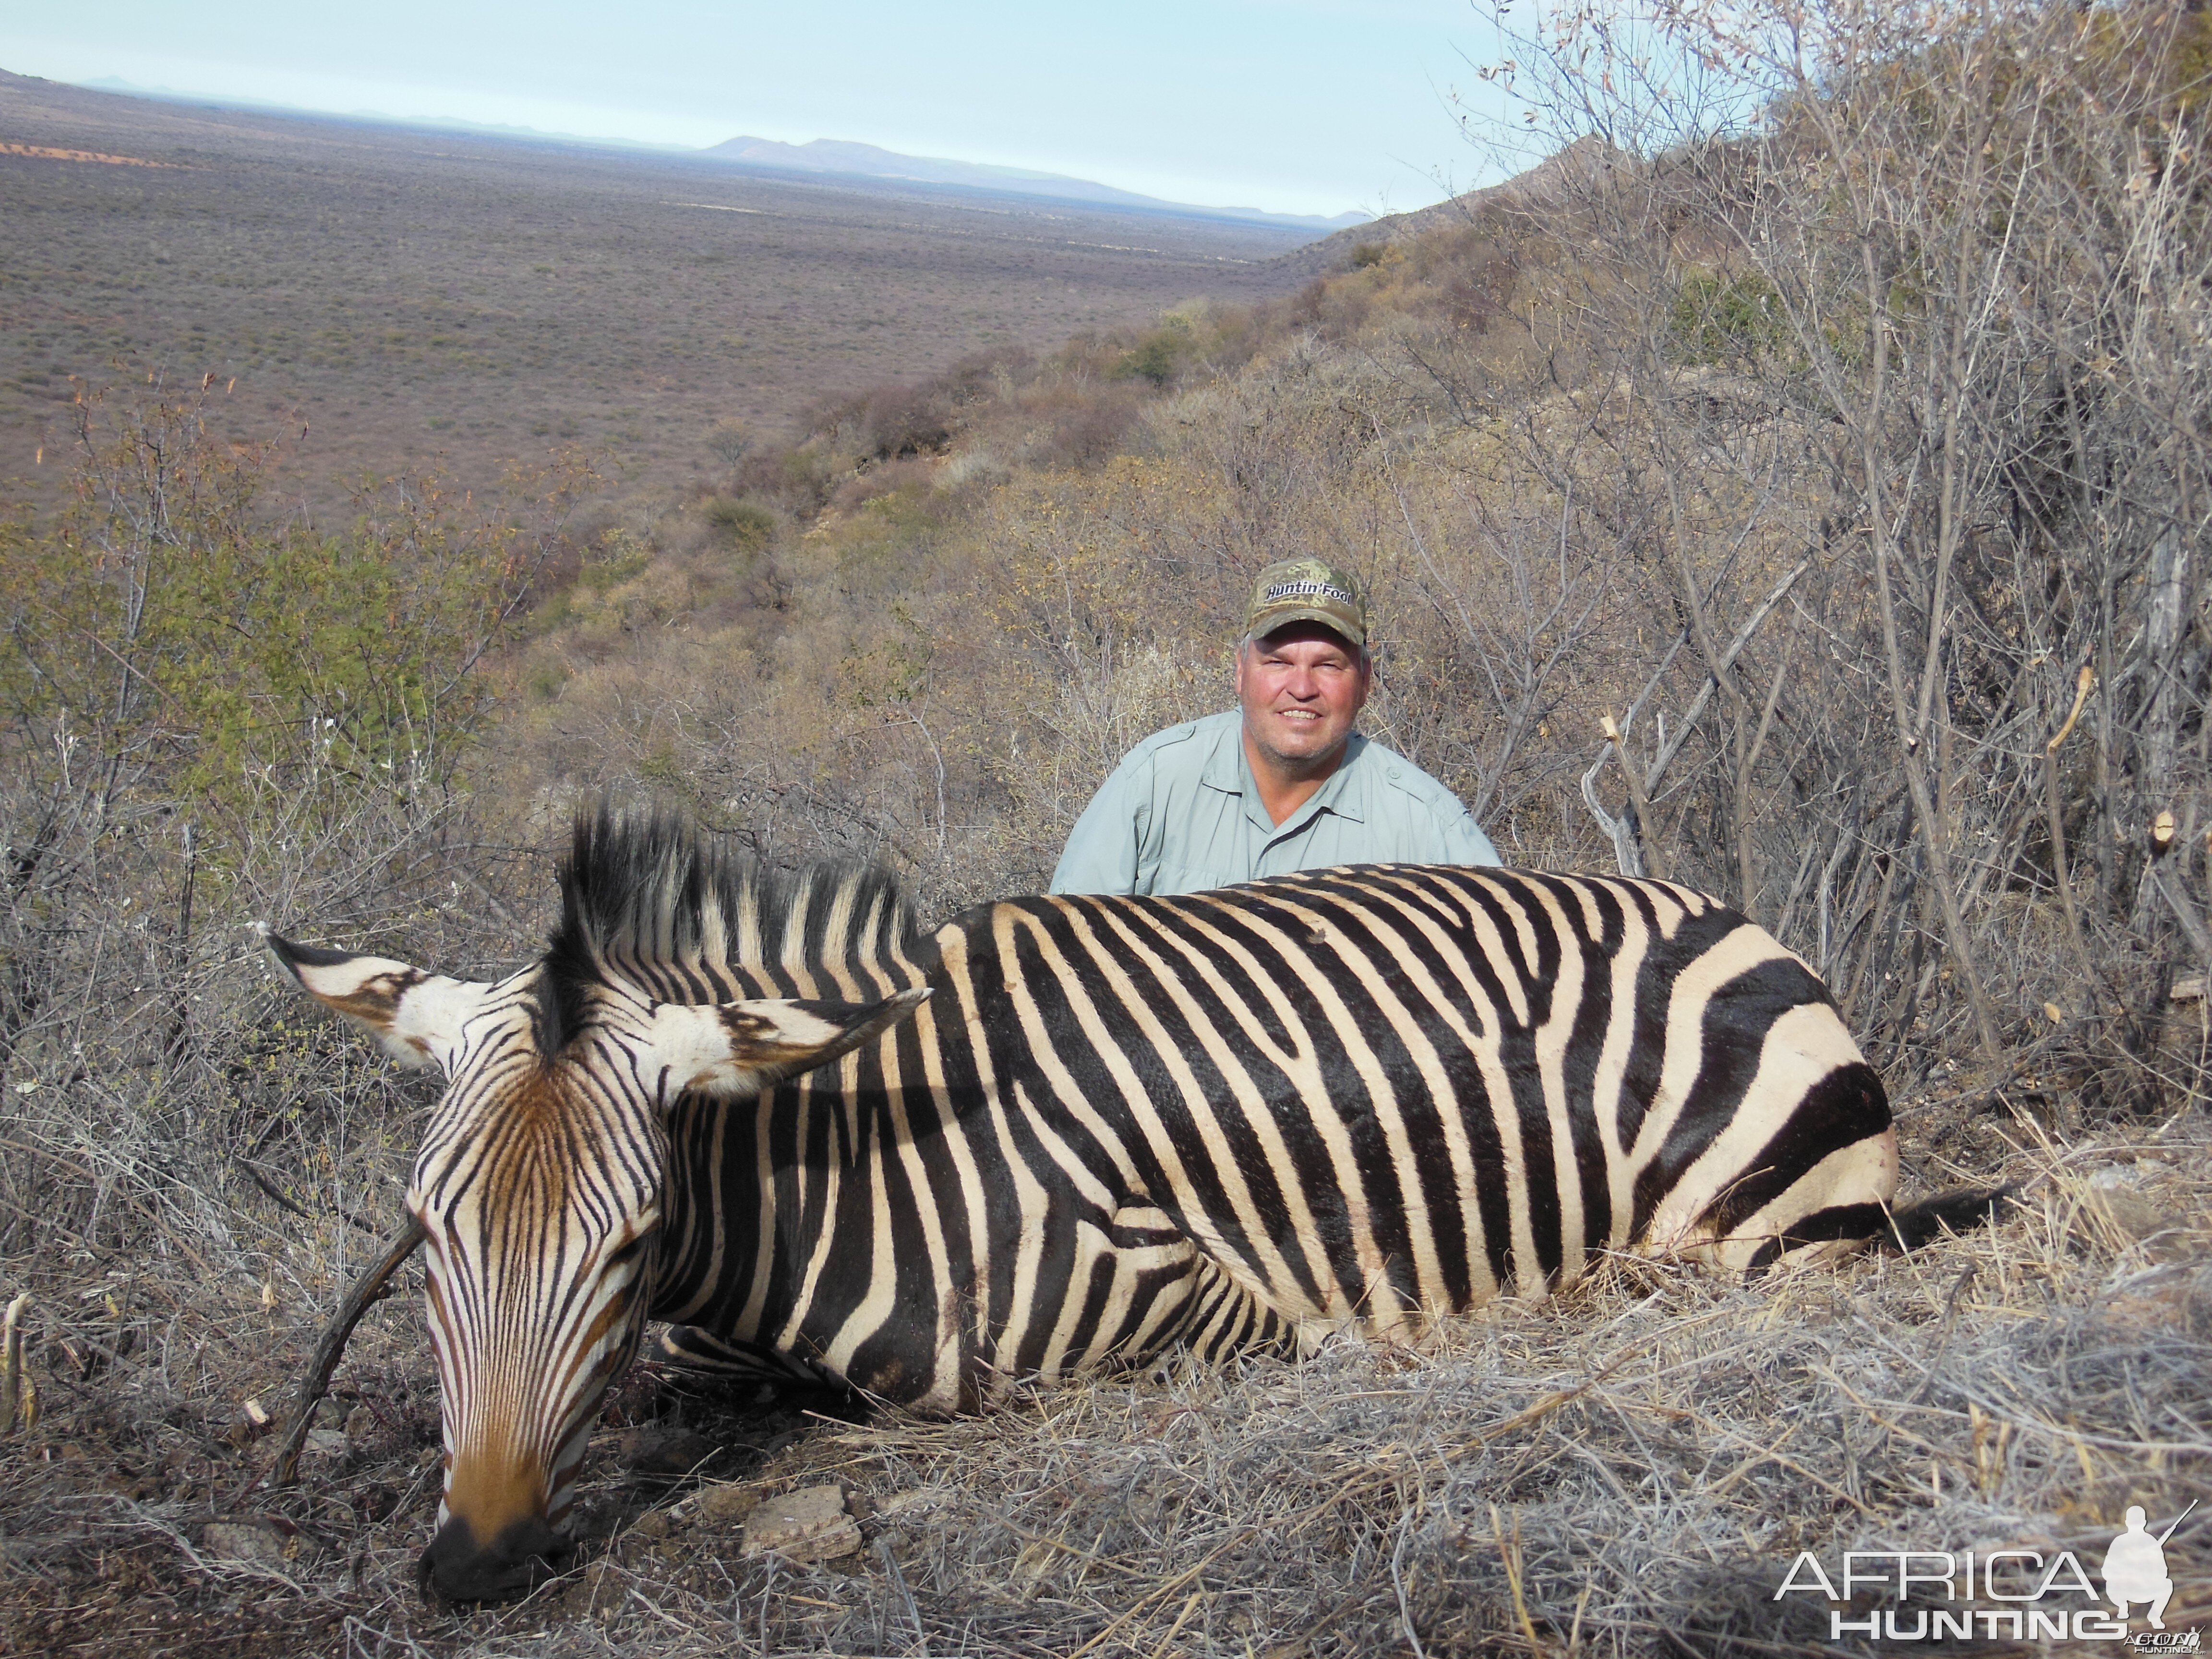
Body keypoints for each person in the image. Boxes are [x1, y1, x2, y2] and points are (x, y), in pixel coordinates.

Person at [1050, 556, 1501, 896]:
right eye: (1278, 662)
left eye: (1329, 665)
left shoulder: (1430, 831)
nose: (1301, 688)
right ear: (1240, 672)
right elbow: (1063, 956)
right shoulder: (1153, 783)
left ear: (1365, 682)